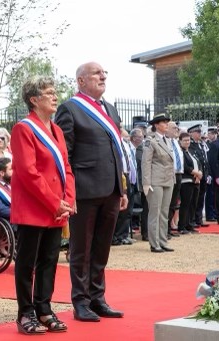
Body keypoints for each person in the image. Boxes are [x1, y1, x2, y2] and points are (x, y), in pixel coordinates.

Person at [55, 61, 127, 322]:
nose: (103, 76)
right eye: (97, 73)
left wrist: (123, 187)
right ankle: (81, 301)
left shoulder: (110, 109)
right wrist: (68, 193)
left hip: (111, 189)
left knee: (101, 249)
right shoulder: (70, 109)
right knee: (81, 249)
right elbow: (66, 156)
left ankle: (98, 298)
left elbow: (116, 151)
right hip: (84, 190)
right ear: (81, 81)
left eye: (104, 73)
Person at [11, 76, 75, 334]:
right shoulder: (23, 129)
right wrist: (53, 201)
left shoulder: (57, 130)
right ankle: (25, 313)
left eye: (54, 92)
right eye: (49, 92)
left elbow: (66, 168)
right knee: (27, 263)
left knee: (49, 260)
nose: (55, 96)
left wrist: (68, 199)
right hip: (34, 206)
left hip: (56, 207)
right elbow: (27, 171)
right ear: (34, 99)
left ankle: (44, 309)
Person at [142, 113, 176, 252]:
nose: (166, 124)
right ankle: (154, 243)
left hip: (168, 179)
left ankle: (163, 241)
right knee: (154, 212)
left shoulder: (167, 140)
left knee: (164, 212)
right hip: (155, 180)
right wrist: (146, 182)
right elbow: (146, 162)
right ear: (156, 125)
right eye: (163, 122)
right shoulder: (151, 140)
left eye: (167, 122)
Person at [112, 128, 138, 246]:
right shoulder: (115, 142)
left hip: (129, 177)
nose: (127, 138)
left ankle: (123, 234)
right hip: (121, 174)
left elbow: (130, 161)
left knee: (128, 209)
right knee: (121, 208)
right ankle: (116, 236)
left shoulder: (126, 145)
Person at [177, 132, 202, 234]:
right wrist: (195, 173)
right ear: (180, 141)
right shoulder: (181, 152)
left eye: (188, 140)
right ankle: (182, 226)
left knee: (193, 204)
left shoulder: (191, 152)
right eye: (185, 140)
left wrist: (199, 173)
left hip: (196, 181)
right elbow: (185, 166)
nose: (187, 142)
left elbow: (199, 163)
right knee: (186, 204)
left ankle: (190, 224)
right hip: (186, 181)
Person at [188, 124, 210, 228]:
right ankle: (193, 219)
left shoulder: (201, 144)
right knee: (194, 200)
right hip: (196, 175)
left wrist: (207, 173)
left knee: (201, 199)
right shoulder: (191, 145)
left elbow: (205, 161)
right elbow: (195, 161)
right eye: (197, 132)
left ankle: (199, 218)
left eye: (200, 132)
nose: (199, 134)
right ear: (191, 133)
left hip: (203, 175)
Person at [166, 121, 183, 236]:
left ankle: (169, 227)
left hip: (179, 174)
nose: (176, 130)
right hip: (170, 174)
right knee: (167, 202)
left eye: (177, 128)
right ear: (167, 129)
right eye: (173, 128)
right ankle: (165, 229)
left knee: (174, 203)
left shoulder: (176, 142)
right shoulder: (165, 142)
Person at [204, 127, 217, 222]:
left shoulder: (215, 144)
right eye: (211, 133)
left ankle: (214, 212)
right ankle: (210, 214)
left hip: (215, 172)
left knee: (215, 195)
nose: (213, 135)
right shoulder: (207, 145)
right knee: (210, 195)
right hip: (209, 172)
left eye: (214, 133)